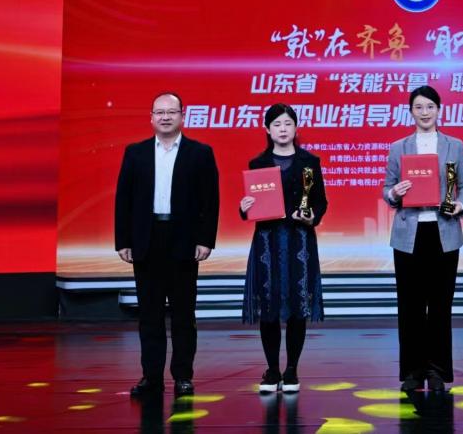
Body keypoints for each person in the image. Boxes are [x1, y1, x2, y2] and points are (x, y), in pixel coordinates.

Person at [114, 92, 220, 397]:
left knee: (183, 313)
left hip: (183, 239)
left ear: (182, 116)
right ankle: (151, 377)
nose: (165, 117)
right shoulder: (136, 153)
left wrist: (205, 239)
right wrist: (123, 240)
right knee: (150, 315)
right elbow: (124, 199)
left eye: (171, 112)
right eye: (159, 112)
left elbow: (210, 201)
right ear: (151, 117)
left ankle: (183, 376)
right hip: (147, 239)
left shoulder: (200, 153)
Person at [383, 85, 463, 392]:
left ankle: (437, 372)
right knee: (409, 305)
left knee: (439, 305)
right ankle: (412, 371)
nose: (425, 112)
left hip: (443, 231)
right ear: (411, 112)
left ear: (438, 110)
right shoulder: (399, 147)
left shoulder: (454, 146)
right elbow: (387, 188)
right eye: (419, 107)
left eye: (430, 106)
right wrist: (394, 193)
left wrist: (460, 204)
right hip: (408, 234)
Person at [240, 103, 327, 393]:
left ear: (296, 128)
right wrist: (244, 208)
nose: (283, 129)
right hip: (268, 242)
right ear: (267, 129)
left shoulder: (309, 162)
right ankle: (272, 370)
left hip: (300, 241)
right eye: (277, 124)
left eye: (288, 123)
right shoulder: (258, 163)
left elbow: (320, 201)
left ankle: (291, 370)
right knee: (269, 307)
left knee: (297, 307)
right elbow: (252, 205)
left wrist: (312, 216)